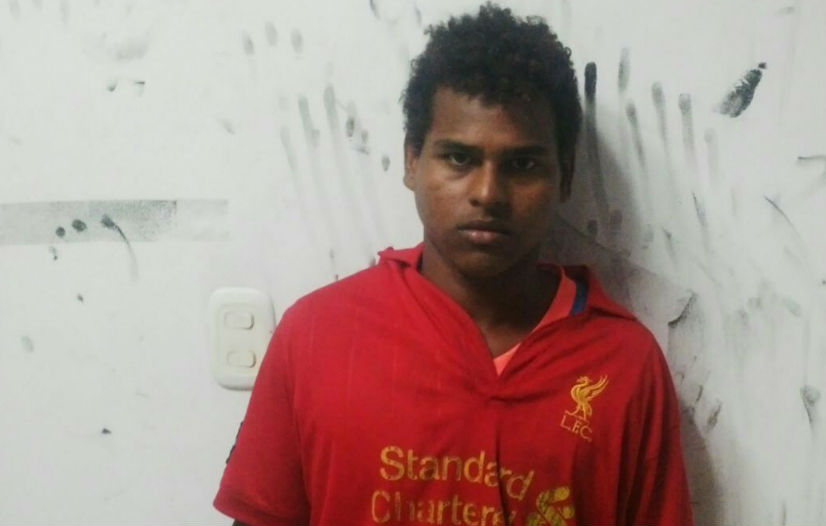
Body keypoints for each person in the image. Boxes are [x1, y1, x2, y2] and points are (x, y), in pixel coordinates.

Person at [214, 4, 693, 525]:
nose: (488, 193)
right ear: (412, 161)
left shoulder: (622, 364)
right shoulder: (317, 336)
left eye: (523, 164)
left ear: (565, 175)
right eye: (459, 158)